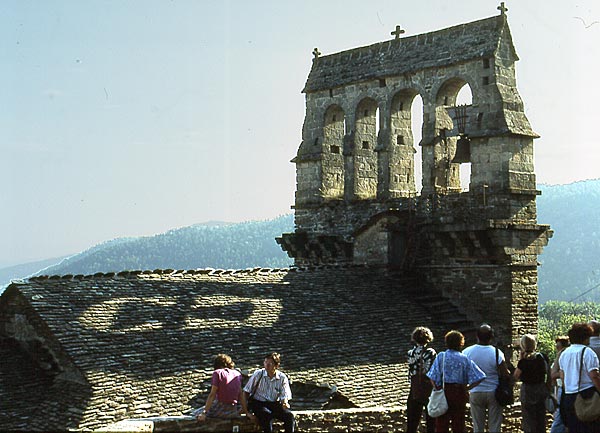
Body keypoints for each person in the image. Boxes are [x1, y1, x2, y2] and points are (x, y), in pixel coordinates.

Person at [427, 330, 486, 433]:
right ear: (460, 343)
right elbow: (480, 376)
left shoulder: (441, 356)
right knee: (458, 422)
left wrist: (437, 388)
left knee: (441, 422)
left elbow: (432, 376)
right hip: (459, 392)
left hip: (444, 390)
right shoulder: (464, 358)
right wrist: (467, 388)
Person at [463, 324, 510, 433]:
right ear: (491, 337)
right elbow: (505, 373)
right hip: (493, 391)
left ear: (477, 336)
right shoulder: (497, 353)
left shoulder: (467, 352)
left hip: (475, 390)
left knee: (477, 426)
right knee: (495, 425)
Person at [559, 322, 600, 433]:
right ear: (586, 337)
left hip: (569, 396)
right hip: (586, 395)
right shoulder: (587, 353)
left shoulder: (564, 353)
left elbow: (562, 377)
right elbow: (594, 376)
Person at [244, 352, 295, 433]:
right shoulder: (258, 374)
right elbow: (246, 391)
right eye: (265, 362)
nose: (267, 365)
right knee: (266, 415)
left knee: (289, 416)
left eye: (270, 363)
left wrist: (285, 403)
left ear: (276, 366)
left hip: (274, 403)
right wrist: (245, 409)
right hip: (259, 403)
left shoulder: (282, 377)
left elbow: (284, 394)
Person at [196, 354, 254, 421]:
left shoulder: (217, 373)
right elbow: (240, 395)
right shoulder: (237, 374)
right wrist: (246, 412)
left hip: (219, 409)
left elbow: (212, 394)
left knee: (195, 413)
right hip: (232, 410)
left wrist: (204, 413)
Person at [513, 334, 551, 433]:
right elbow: (548, 373)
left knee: (528, 420)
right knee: (541, 418)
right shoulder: (542, 357)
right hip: (541, 389)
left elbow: (515, 376)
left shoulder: (524, 361)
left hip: (527, 390)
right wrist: (548, 387)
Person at [407, 326, 437, 433]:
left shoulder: (410, 352)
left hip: (414, 387)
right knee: (431, 420)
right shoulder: (430, 352)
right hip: (427, 387)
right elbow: (432, 370)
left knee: (412, 421)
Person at [550, 336, 570, 433]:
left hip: (564, 388)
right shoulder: (561, 355)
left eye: (558, 347)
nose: (557, 349)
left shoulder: (562, 355)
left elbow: (553, 374)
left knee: (560, 416)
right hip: (560, 387)